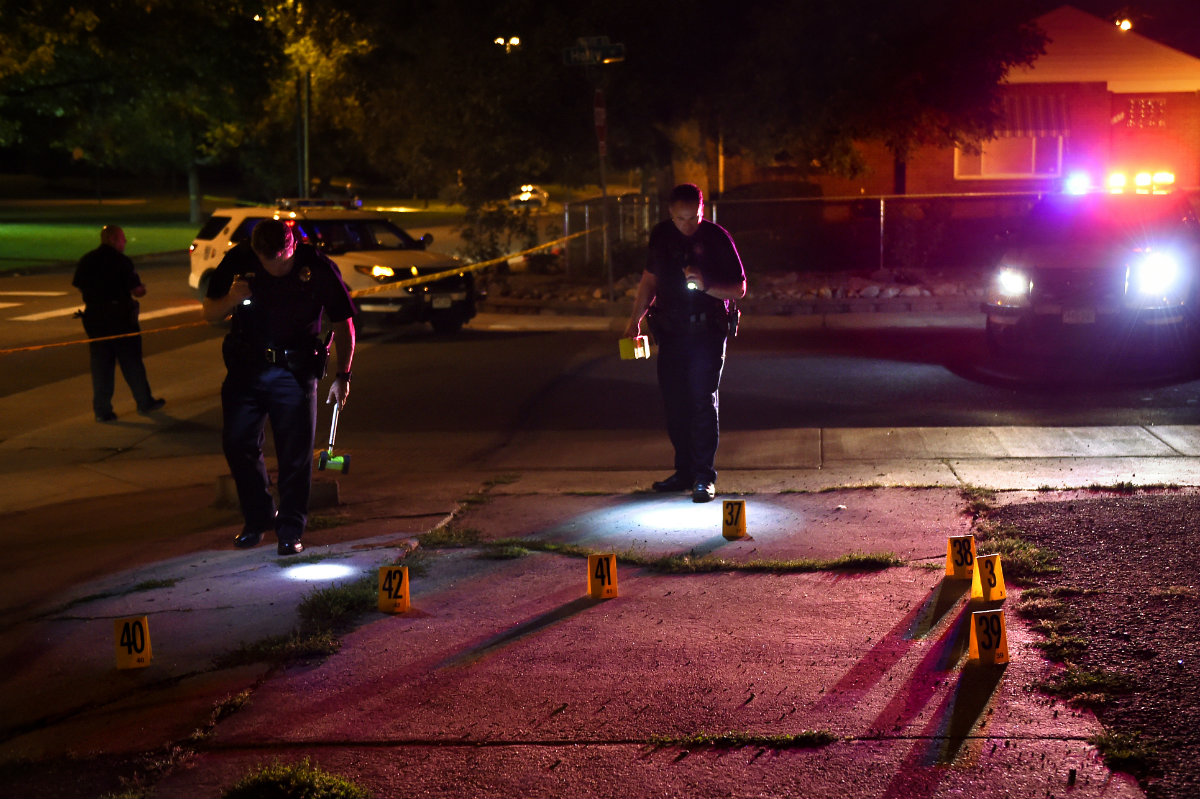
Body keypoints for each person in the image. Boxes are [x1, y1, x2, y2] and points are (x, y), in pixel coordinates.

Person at [203, 218, 356, 556]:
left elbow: (344, 322)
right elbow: (210, 312)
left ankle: (290, 529)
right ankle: (258, 518)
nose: (277, 269)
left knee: (295, 455)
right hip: (247, 369)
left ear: (292, 245)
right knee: (238, 444)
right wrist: (231, 299)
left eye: (284, 261)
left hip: (295, 371)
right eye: (269, 263)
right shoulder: (239, 260)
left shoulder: (317, 267)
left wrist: (343, 376)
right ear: (256, 252)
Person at [624, 183, 747, 503]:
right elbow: (649, 279)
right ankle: (684, 472)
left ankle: (704, 476)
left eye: (694, 218)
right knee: (675, 402)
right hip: (671, 332)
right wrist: (635, 319)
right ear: (670, 213)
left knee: (702, 400)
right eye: (681, 219)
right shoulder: (662, 235)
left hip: (707, 333)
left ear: (702, 210)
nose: (688, 225)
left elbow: (739, 288)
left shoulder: (717, 237)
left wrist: (705, 286)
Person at [72, 225, 165, 422]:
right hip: (121, 319)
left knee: (101, 366)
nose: (125, 242)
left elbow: (79, 285)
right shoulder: (122, 261)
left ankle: (102, 410)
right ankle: (144, 401)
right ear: (113, 239)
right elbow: (137, 291)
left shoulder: (87, 260)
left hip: (95, 318)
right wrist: (141, 288)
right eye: (122, 238)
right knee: (132, 362)